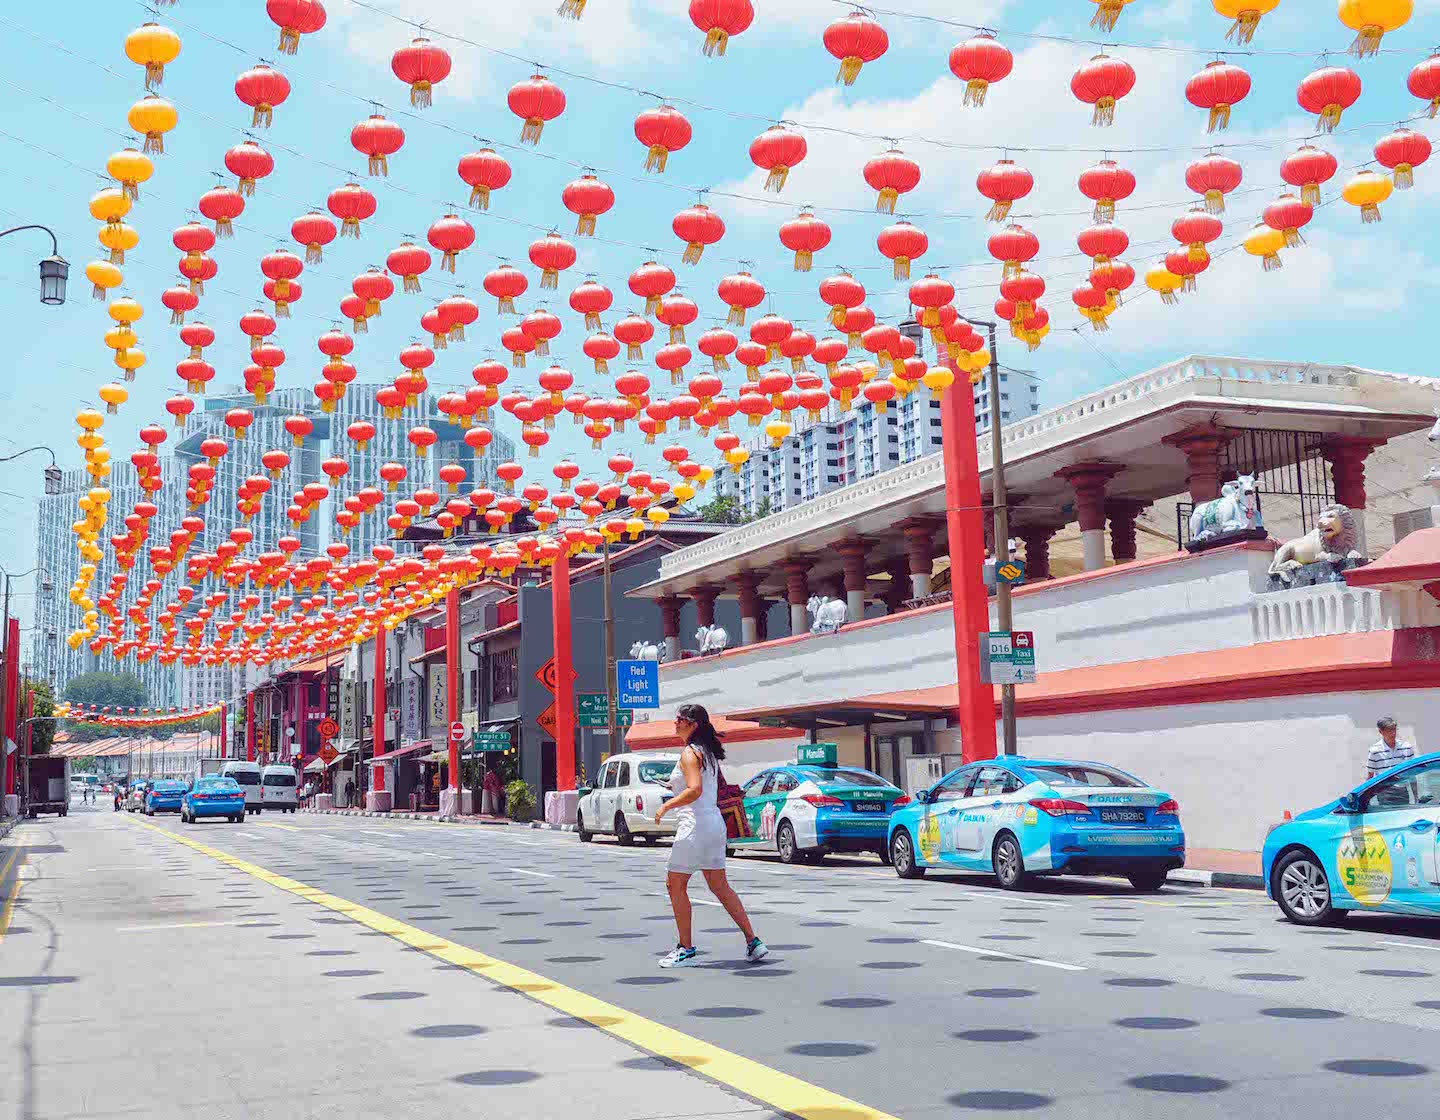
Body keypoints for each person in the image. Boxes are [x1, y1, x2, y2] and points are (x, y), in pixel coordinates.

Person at [653, 703, 767, 969]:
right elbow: (698, 787)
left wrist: (667, 804)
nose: (675, 723)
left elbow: (694, 790)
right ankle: (753, 941)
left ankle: (685, 948)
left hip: (694, 826)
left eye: (680, 719)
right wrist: (672, 784)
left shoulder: (689, 753)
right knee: (719, 886)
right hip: (713, 825)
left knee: (675, 885)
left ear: (693, 725)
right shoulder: (707, 753)